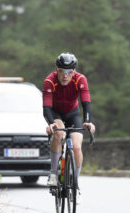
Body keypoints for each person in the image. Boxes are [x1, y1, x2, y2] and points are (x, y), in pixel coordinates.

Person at [42, 52, 96, 193]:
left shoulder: (80, 80)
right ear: (56, 69)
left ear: (74, 71)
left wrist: (88, 122)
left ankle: (75, 180)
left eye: (69, 72)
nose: (65, 75)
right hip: (55, 113)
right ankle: (53, 173)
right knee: (59, 134)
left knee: (77, 146)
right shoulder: (49, 81)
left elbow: (86, 102)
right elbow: (46, 107)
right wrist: (51, 123)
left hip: (73, 113)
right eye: (61, 71)